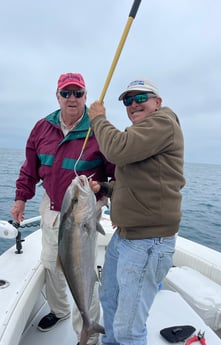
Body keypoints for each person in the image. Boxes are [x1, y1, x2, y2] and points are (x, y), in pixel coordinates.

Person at [10, 72, 115, 345]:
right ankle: (59, 310)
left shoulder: (98, 129)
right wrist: (21, 198)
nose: (72, 98)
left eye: (77, 93)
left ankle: (87, 333)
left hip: (85, 211)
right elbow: (30, 168)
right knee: (51, 265)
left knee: (84, 272)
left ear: (85, 97)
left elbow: (117, 174)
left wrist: (113, 201)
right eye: (66, 93)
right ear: (57, 96)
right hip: (54, 209)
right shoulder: (42, 128)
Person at [88, 78, 185, 345]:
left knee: (129, 328)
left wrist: (98, 119)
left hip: (147, 243)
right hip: (126, 238)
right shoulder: (144, 134)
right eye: (128, 101)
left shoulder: (163, 123)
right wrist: (107, 188)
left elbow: (116, 150)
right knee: (109, 299)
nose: (133, 104)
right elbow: (138, 181)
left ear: (158, 102)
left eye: (141, 98)